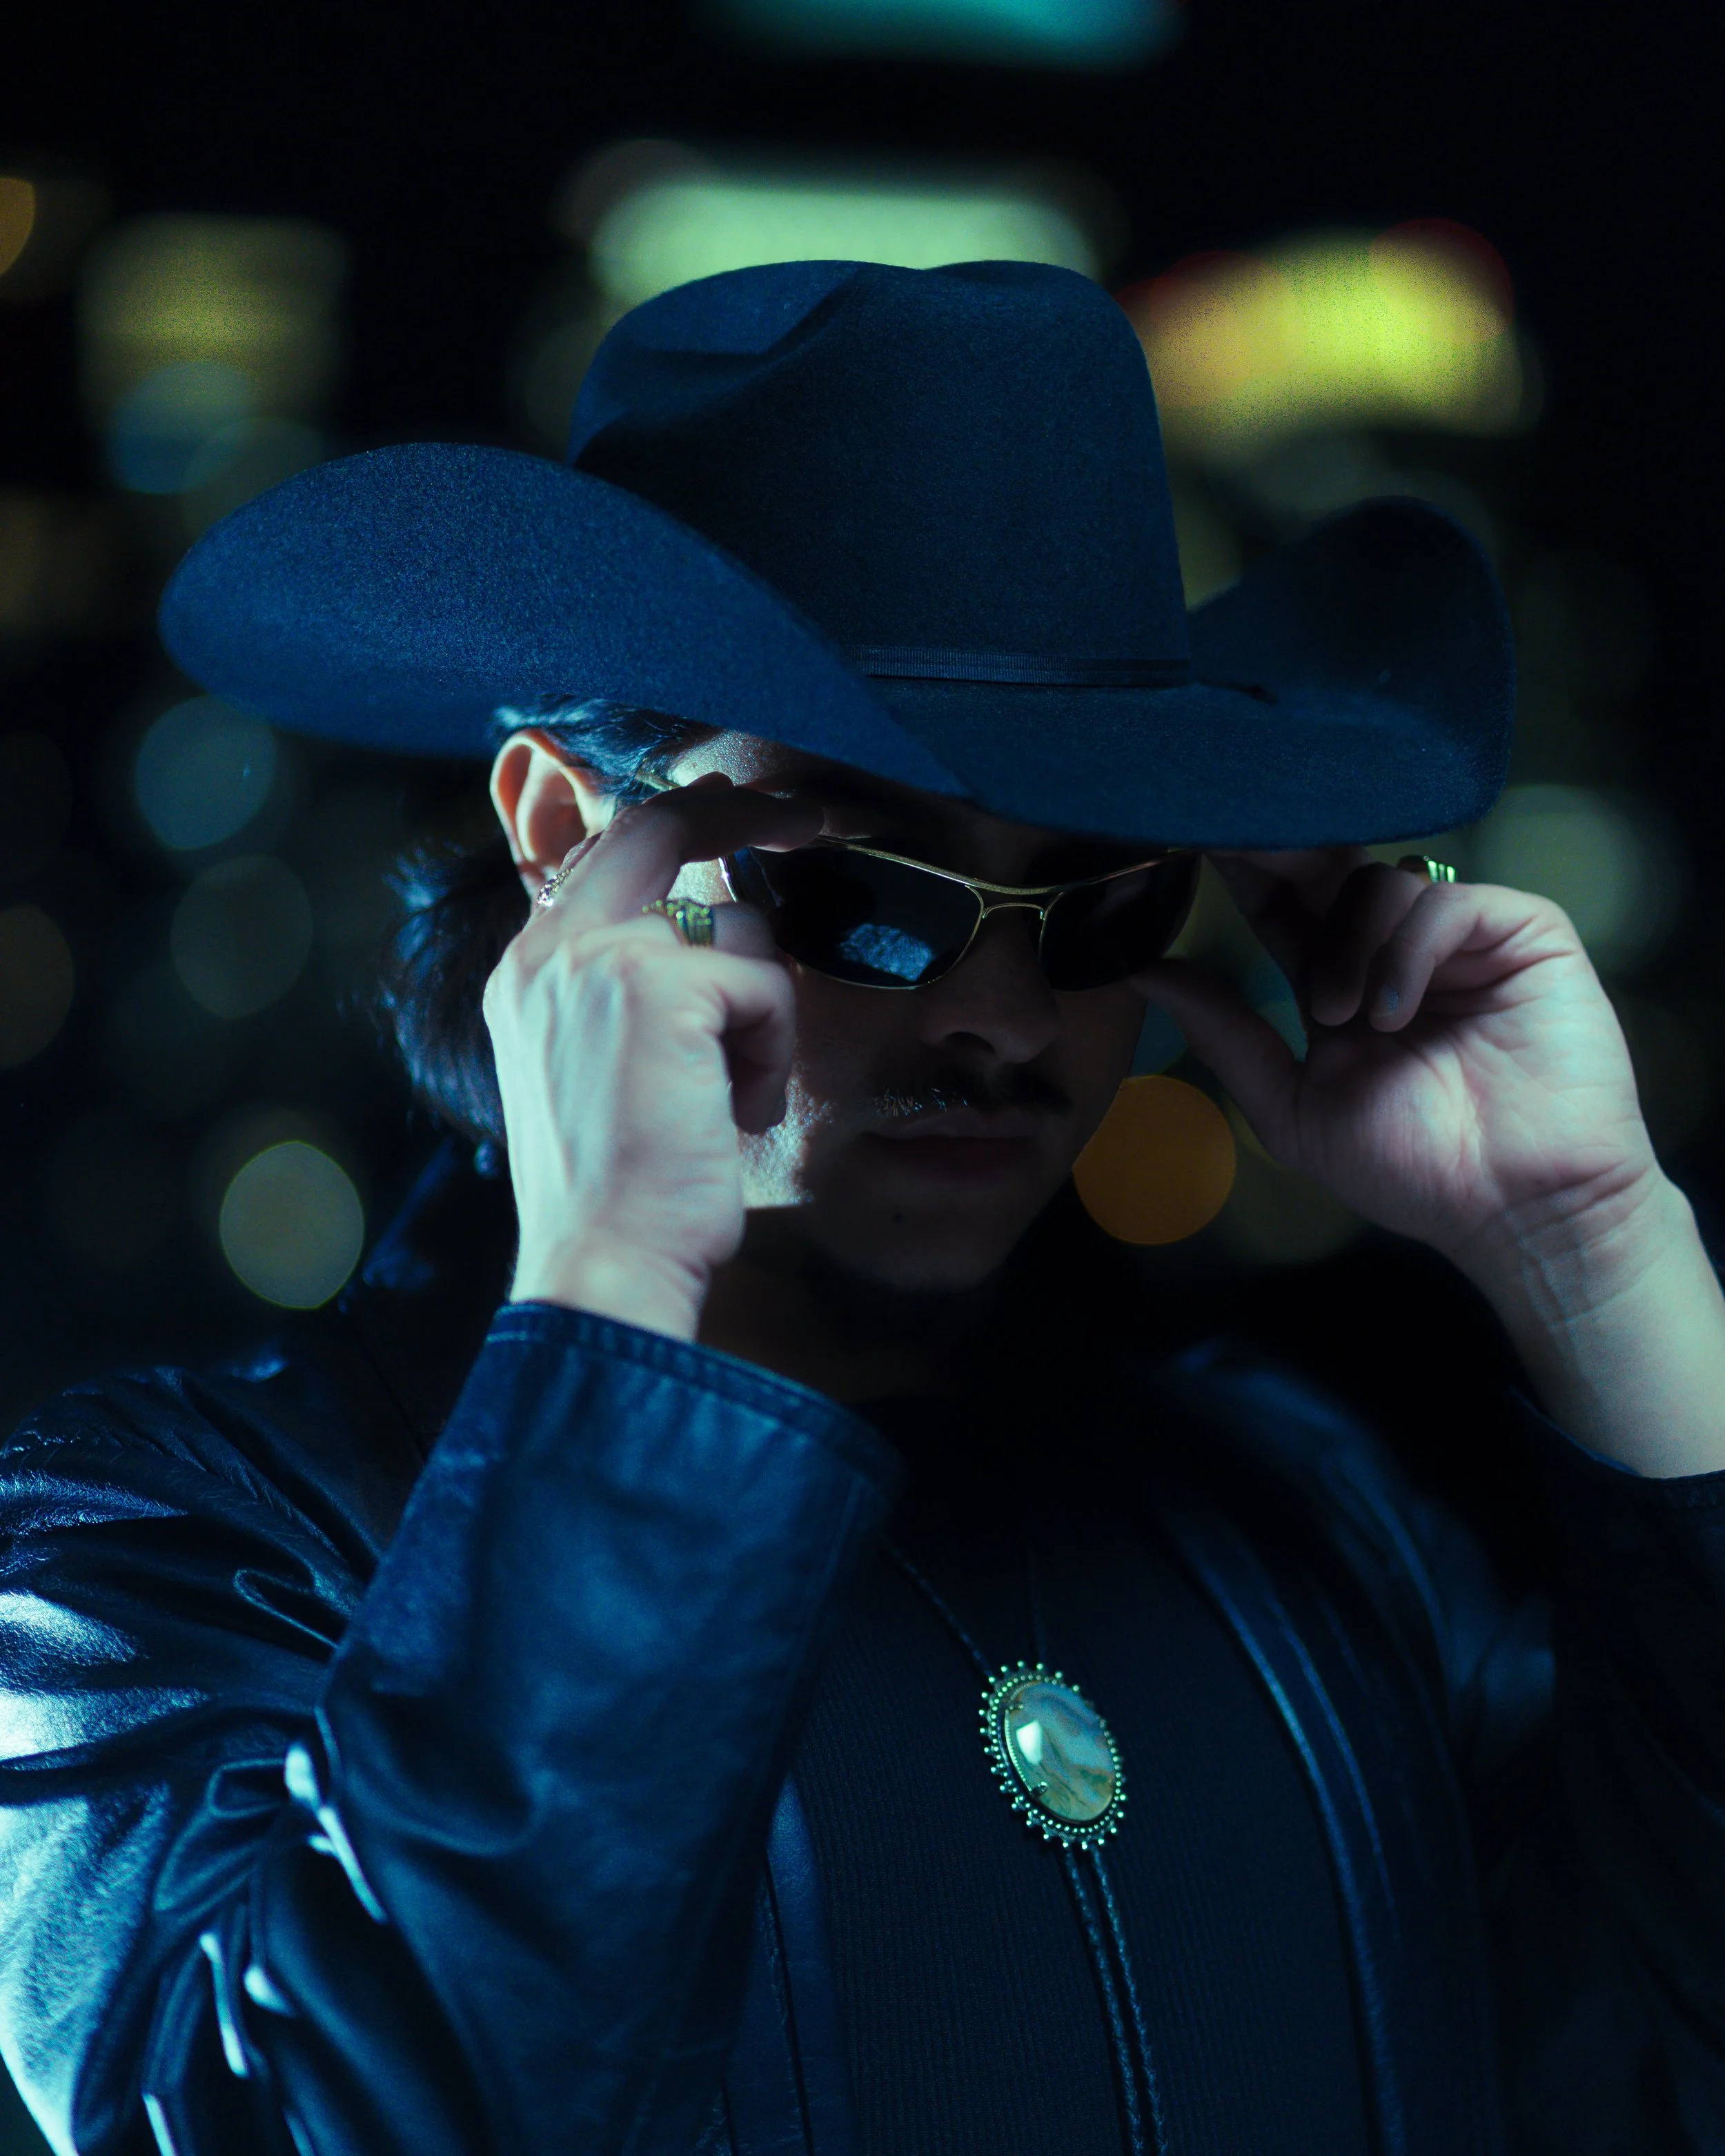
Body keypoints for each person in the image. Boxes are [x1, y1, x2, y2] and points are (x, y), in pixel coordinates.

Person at [1, 258, 1722, 2156]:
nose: (1005, 1018)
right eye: (867, 892)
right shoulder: (171, 1554)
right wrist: (613, 1277)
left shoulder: (1303, 1509)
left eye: (1101, 906)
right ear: (566, 839)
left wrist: (1594, 1252)